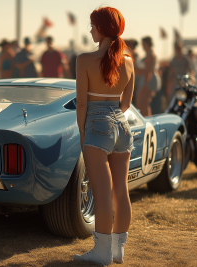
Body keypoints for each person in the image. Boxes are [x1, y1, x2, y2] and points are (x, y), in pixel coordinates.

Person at [73, 7, 134, 265]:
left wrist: (83, 130)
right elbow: (127, 103)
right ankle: (118, 250)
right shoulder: (129, 62)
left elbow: (82, 105)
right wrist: (111, 117)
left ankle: (101, 253)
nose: (90, 30)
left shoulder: (84, 59)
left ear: (102, 28)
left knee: (102, 192)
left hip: (97, 125)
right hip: (122, 125)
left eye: (92, 25)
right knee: (121, 190)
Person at [135, 36, 161, 116]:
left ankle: (147, 120)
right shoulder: (148, 54)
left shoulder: (151, 55)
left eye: (143, 44)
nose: (142, 46)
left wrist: (146, 84)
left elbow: (148, 71)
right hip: (147, 79)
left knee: (144, 103)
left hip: (148, 80)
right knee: (142, 103)